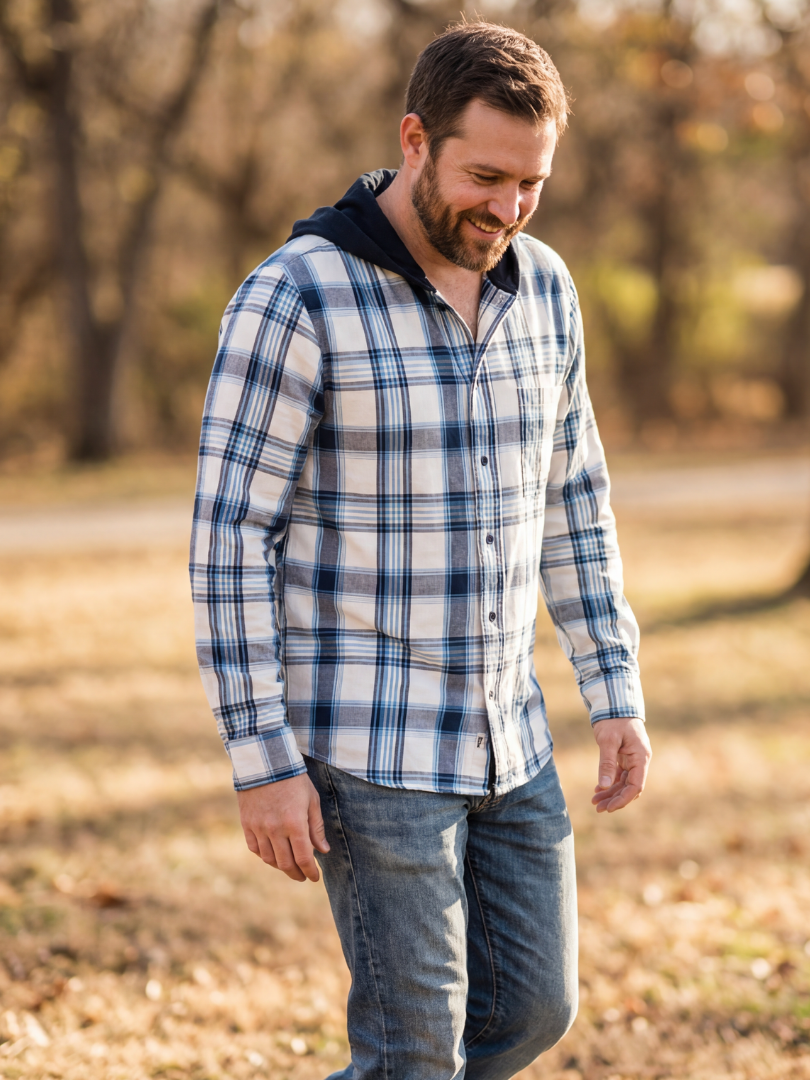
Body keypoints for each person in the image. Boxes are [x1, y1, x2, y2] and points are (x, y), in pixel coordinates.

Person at [190, 19, 651, 1080]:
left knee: (535, 1010)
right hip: (369, 745)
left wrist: (613, 688)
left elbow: (573, 498)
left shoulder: (545, 290)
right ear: (415, 139)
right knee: (415, 1054)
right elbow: (229, 544)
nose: (509, 209)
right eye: (486, 176)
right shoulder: (295, 296)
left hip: (509, 731)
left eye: (532, 183)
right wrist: (262, 763)